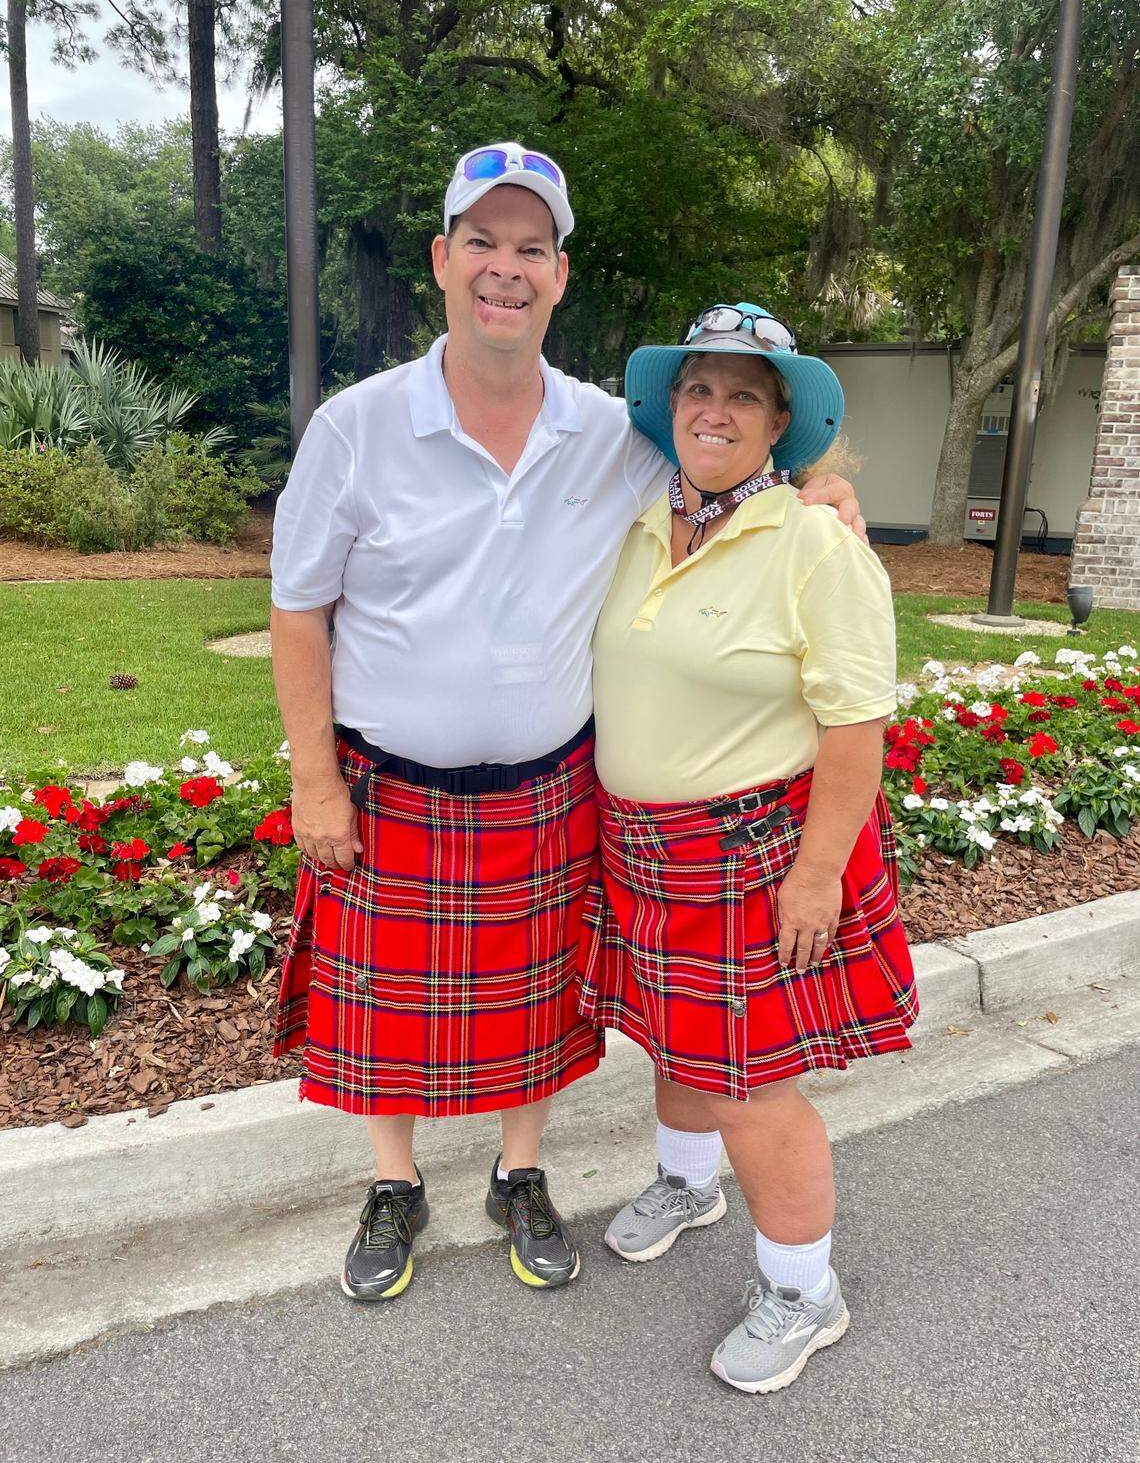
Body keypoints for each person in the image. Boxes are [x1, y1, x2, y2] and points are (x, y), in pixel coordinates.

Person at [269, 147, 866, 1302]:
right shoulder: (355, 427)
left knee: (533, 993)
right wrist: (314, 777)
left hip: (549, 782)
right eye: (482, 243)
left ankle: (520, 1169)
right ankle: (393, 1182)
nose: (506, 268)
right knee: (387, 1012)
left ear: (559, 275)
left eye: (531, 249)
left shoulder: (612, 432)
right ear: (444, 261)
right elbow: (299, 610)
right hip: (385, 777)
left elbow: (731, 466)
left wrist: (826, 493)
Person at [579, 302, 917, 1392]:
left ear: (782, 422)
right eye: (698, 388)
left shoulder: (816, 540)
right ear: (669, 407)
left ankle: (803, 1288)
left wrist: (818, 873)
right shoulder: (640, 516)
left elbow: (856, 725)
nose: (714, 408)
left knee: (752, 1083)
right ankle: (688, 1183)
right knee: (677, 1042)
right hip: (637, 843)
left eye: (743, 393)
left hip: (750, 853)